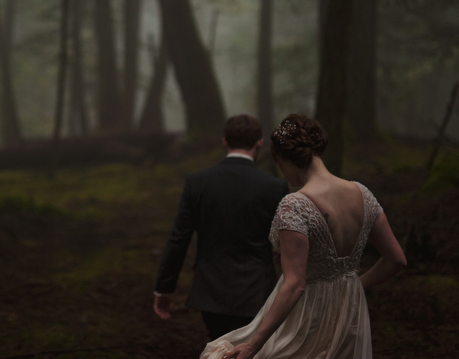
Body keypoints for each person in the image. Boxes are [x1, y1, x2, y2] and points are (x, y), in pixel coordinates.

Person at [201, 114, 407, 359]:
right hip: (351, 310)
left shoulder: (295, 204)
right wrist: (354, 285)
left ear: (285, 158)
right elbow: (396, 259)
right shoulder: (363, 194)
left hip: (309, 314)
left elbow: (295, 285)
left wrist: (254, 344)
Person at [153, 114, 289, 340]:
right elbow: (287, 239)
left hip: (211, 292)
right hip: (257, 290)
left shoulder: (198, 182)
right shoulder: (274, 187)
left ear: (224, 141)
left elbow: (179, 239)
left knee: (218, 347)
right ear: (259, 143)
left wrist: (164, 289)